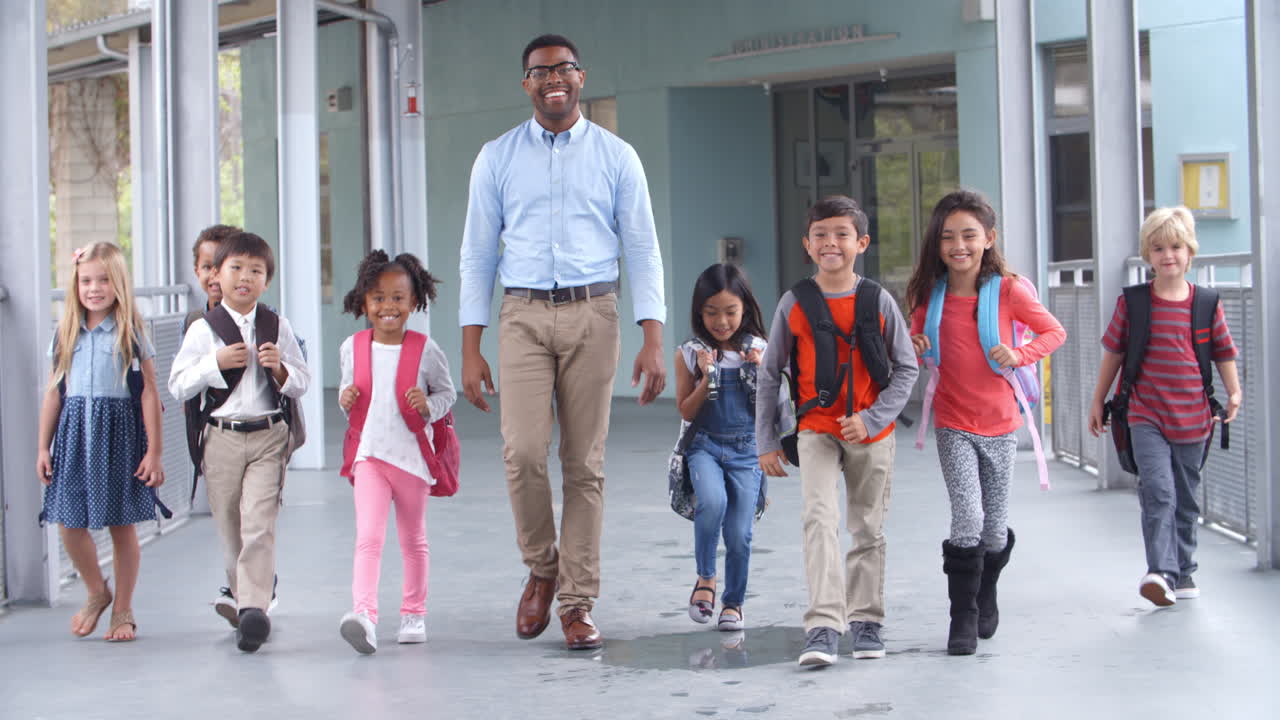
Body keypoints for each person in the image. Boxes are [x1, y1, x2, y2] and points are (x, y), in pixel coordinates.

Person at [458, 33, 667, 651]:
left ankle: (577, 601)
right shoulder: (495, 157)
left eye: (564, 68)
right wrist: (471, 346)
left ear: (581, 77)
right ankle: (542, 566)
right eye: (540, 71)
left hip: (593, 313)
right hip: (521, 314)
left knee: (585, 465)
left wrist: (651, 336)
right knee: (522, 452)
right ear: (526, 84)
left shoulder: (617, 156)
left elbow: (643, 249)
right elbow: (476, 254)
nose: (554, 78)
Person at [756, 196, 918, 668]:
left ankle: (866, 619)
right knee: (819, 521)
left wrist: (872, 417)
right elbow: (769, 374)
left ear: (861, 243)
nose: (831, 243)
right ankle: (824, 625)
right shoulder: (795, 302)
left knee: (867, 526)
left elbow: (906, 369)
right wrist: (767, 441)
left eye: (842, 234)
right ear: (808, 245)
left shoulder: (877, 300)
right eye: (821, 234)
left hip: (872, 434)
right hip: (816, 431)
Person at [905, 189, 1066, 655]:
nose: (959, 245)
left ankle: (985, 592)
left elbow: (1054, 331)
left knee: (994, 530)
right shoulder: (928, 295)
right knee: (968, 517)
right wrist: (914, 345)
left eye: (969, 235)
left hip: (1002, 424)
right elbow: (913, 340)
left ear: (989, 239)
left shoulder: (1010, 291)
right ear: (937, 244)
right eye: (948, 236)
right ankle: (962, 617)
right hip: (952, 421)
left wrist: (1019, 354)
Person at [1088, 206, 1241, 607]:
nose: (1167, 255)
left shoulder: (1205, 304)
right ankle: (1160, 572)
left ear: (1190, 252)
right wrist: (1098, 399)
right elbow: (1114, 352)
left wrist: (1234, 391)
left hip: (1194, 416)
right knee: (1157, 491)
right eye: (1158, 248)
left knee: (1186, 498)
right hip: (1145, 414)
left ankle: (1184, 570)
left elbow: (1223, 351)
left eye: (1175, 247)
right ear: (1147, 255)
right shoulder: (1135, 303)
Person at [168, 231, 309, 652]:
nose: (245, 277)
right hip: (222, 438)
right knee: (232, 530)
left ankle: (253, 611)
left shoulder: (276, 325)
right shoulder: (202, 331)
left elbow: (301, 382)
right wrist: (214, 363)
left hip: (268, 435)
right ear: (217, 275)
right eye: (236, 269)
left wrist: (281, 369)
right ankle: (245, 598)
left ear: (266, 280)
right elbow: (177, 385)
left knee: (259, 523)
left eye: (256, 271)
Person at [36, 241, 165, 642]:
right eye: (86, 280)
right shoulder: (66, 332)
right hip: (75, 436)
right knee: (68, 523)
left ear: (119, 283)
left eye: (104, 279)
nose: (94, 288)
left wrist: (154, 452)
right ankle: (97, 591)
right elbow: (54, 392)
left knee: (121, 525)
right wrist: (43, 446)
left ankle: (123, 608)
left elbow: (148, 393)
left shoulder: (131, 331)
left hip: (119, 434)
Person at [335, 250, 456, 655]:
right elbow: (348, 393)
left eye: (398, 298)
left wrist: (429, 405)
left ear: (415, 300)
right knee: (367, 537)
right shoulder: (353, 347)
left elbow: (447, 393)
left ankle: (413, 612)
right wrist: (345, 396)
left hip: (411, 459)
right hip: (369, 456)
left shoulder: (426, 349)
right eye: (378, 298)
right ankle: (364, 616)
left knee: (412, 540)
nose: (388, 306)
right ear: (364, 302)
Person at [673, 264, 769, 632]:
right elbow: (685, 409)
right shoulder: (689, 352)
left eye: (730, 311)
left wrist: (758, 373)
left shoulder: (760, 349)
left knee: (740, 535)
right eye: (711, 312)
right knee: (711, 502)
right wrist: (705, 376)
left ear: (745, 309)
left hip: (747, 450)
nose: (722, 321)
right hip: (706, 446)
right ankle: (707, 579)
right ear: (699, 311)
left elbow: (772, 411)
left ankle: (734, 602)